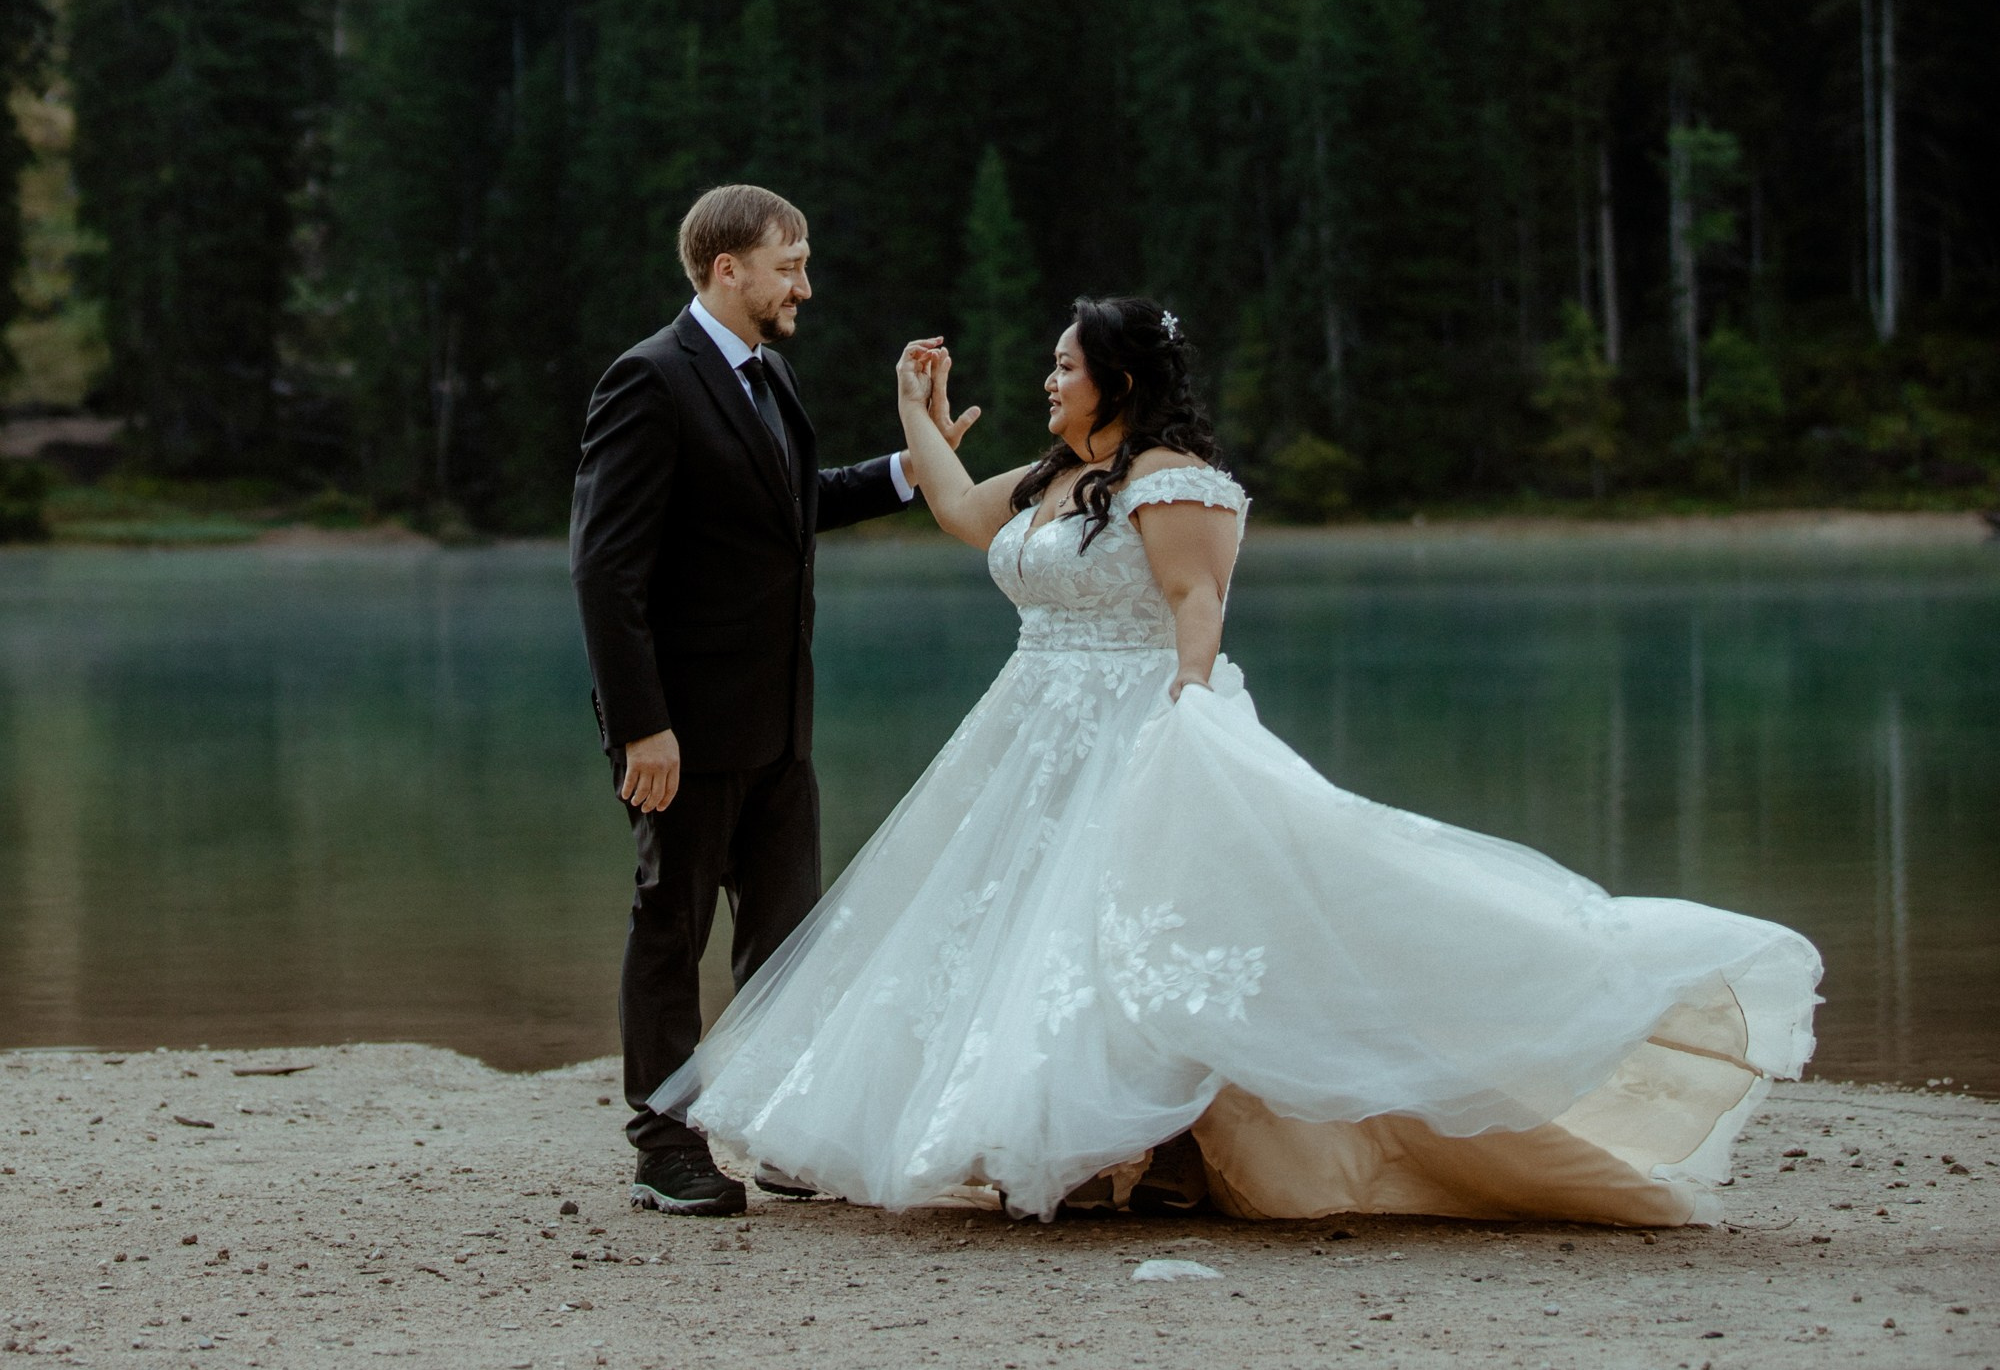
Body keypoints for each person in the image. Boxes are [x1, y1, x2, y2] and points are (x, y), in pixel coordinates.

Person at [648, 296, 1822, 1226]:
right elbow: (959, 512)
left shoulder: (1173, 481)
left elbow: (1194, 601)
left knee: (1134, 936)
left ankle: (1134, 1151)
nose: (1047, 380)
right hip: (1026, 731)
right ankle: (1058, 1143)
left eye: (1064, 365)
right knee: (1026, 940)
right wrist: (918, 402)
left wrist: (1190, 719)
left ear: (1114, 382)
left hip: (1133, 721)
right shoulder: (1057, 479)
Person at [569, 183, 959, 1215]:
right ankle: (664, 1143)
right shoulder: (647, 381)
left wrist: (915, 461)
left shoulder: (769, 376)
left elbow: (796, 505)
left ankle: (781, 1127)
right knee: (672, 925)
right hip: (684, 733)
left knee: (787, 941)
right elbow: (605, 572)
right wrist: (642, 725)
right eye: (788, 266)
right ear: (725, 269)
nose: (805, 285)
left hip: (781, 723)